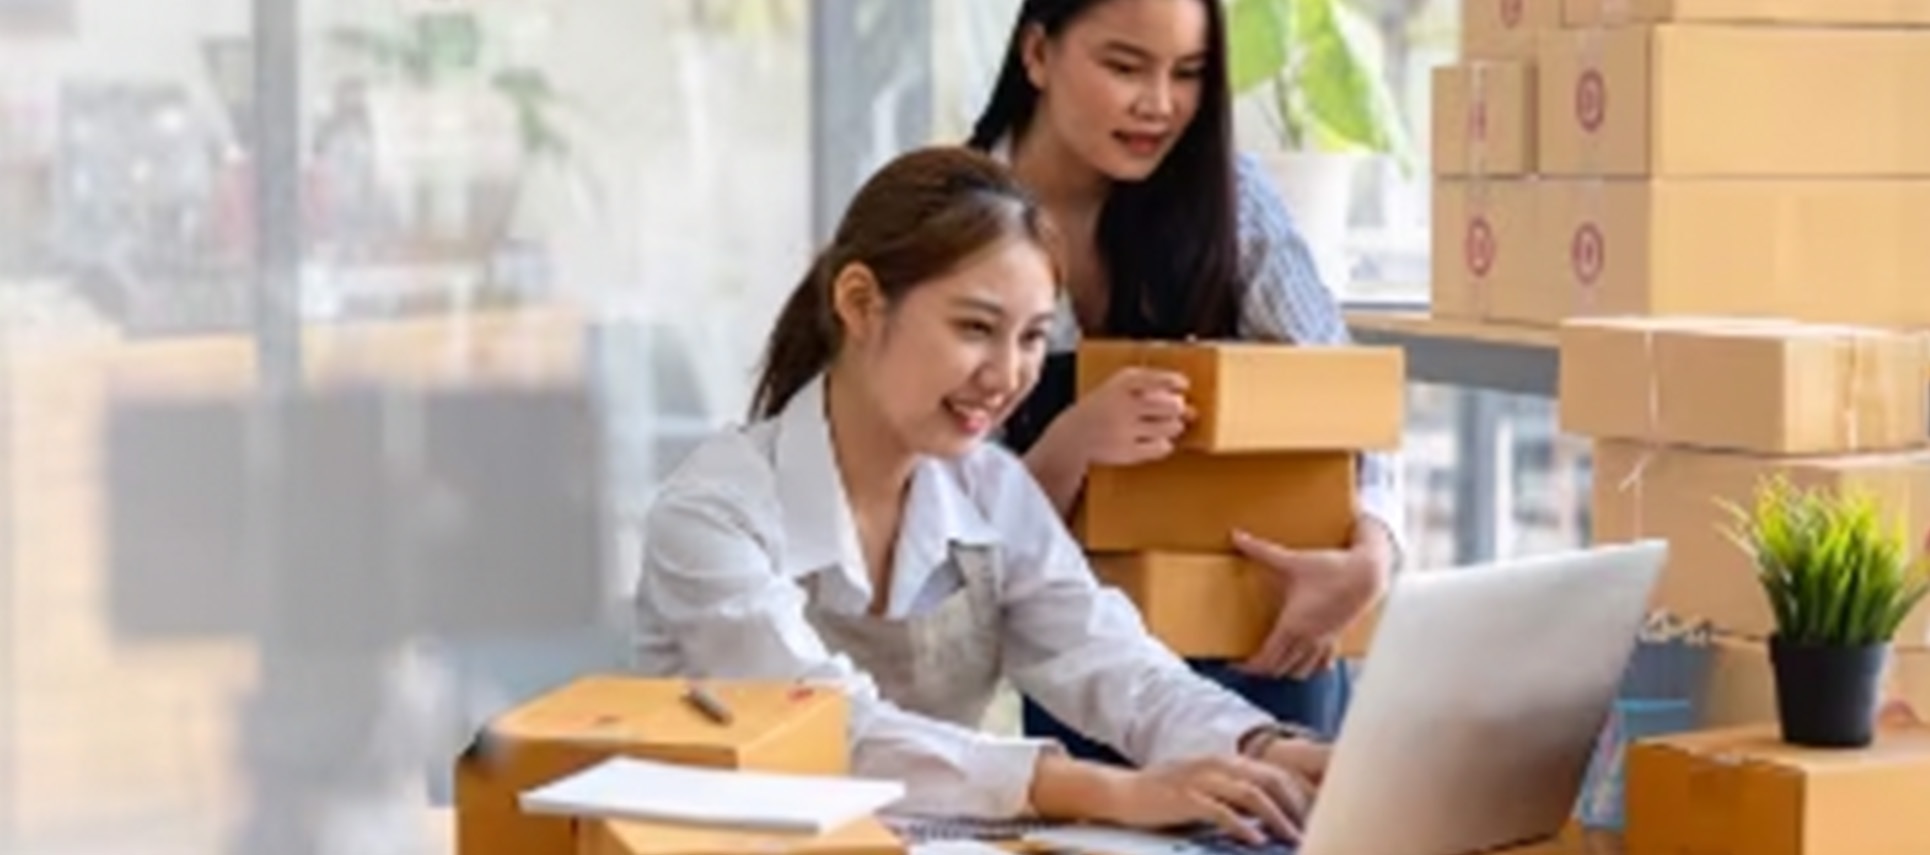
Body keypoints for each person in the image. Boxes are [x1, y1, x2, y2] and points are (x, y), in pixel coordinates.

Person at [632, 145, 1329, 840]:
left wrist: (1263, 749)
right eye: (975, 328)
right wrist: (1107, 789)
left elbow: (1113, 663)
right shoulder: (713, 512)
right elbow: (825, 728)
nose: (1006, 375)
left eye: (1031, 337)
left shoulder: (991, 489)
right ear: (860, 303)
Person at [964, 0, 1406, 758]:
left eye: (1190, 74)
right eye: (1125, 67)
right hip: (1089, 677)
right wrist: (1070, 446)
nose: (1160, 105)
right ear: (1037, 54)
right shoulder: (957, 224)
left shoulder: (1231, 198)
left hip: (1273, 639)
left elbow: (1346, 401)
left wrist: (1372, 552)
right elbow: (932, 525)